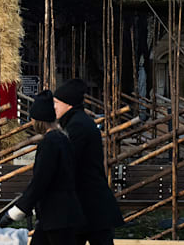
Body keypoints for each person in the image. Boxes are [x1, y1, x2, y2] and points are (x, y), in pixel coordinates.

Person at [0, 91, 86, 244]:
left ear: (39, 120)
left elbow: (40, 181)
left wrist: (17, 211)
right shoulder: (63, 139)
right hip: (62, 215)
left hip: (57, 217)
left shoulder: (49, 143)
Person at [53, 78, 124, 245]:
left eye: (56, 102)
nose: (54, 106)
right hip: (90, 204)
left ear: (68, 104)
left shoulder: (77, 126)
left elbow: (68, 162)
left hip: (89, 205)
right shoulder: (78, 122)